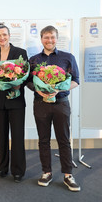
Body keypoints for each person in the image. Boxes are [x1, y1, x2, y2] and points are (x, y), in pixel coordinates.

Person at [28, 25, 80, 192]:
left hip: (61, 104)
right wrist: (39, 90)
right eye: (46, 37)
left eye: (52, 37)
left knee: (63, 139)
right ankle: (46, 172)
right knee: (43, 140)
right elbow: (28, 81)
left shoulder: (68, 57)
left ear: (57, 39)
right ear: (41, 39)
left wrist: (59, 89)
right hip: (41, 104)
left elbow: (76, 80)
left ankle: (68, 175)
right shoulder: (34, 60)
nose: (49, 40)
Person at [0, 23, 28, 183]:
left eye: (4, 34)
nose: (2, 38)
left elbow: (26, 74)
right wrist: (0, 82)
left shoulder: (20, 52)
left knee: (17, 136)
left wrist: (18, 84)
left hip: (16, 100)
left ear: (9, 35)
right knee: (2, 135)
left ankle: (18, 170)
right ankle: (2, 167)